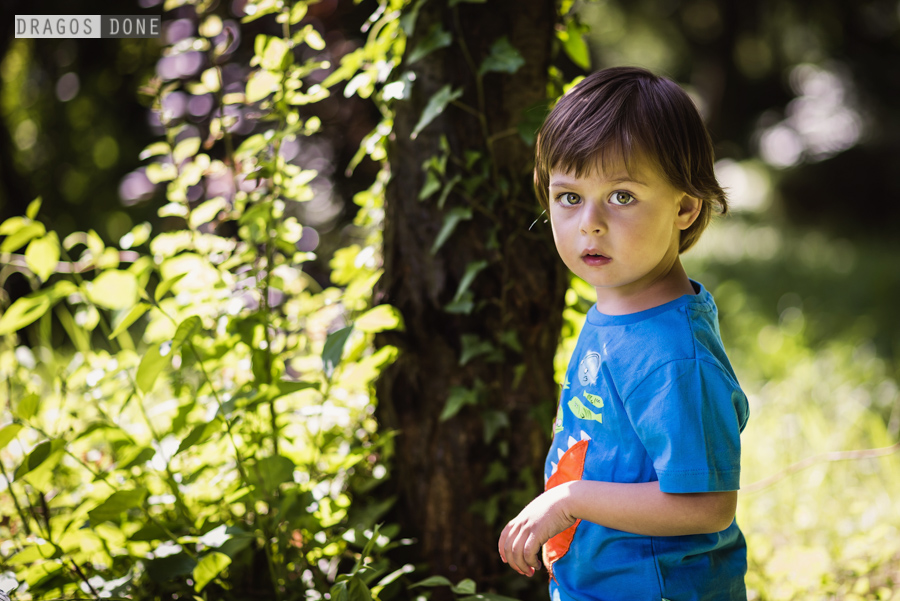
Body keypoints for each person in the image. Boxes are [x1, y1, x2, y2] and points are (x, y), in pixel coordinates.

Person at [498, 66, 750, 601]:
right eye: (569, 197)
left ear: (685, 206)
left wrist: (568, 500)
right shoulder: (620, 309)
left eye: (622, 197)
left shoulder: (673, 356)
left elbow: (707, 504)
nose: (589, 222)